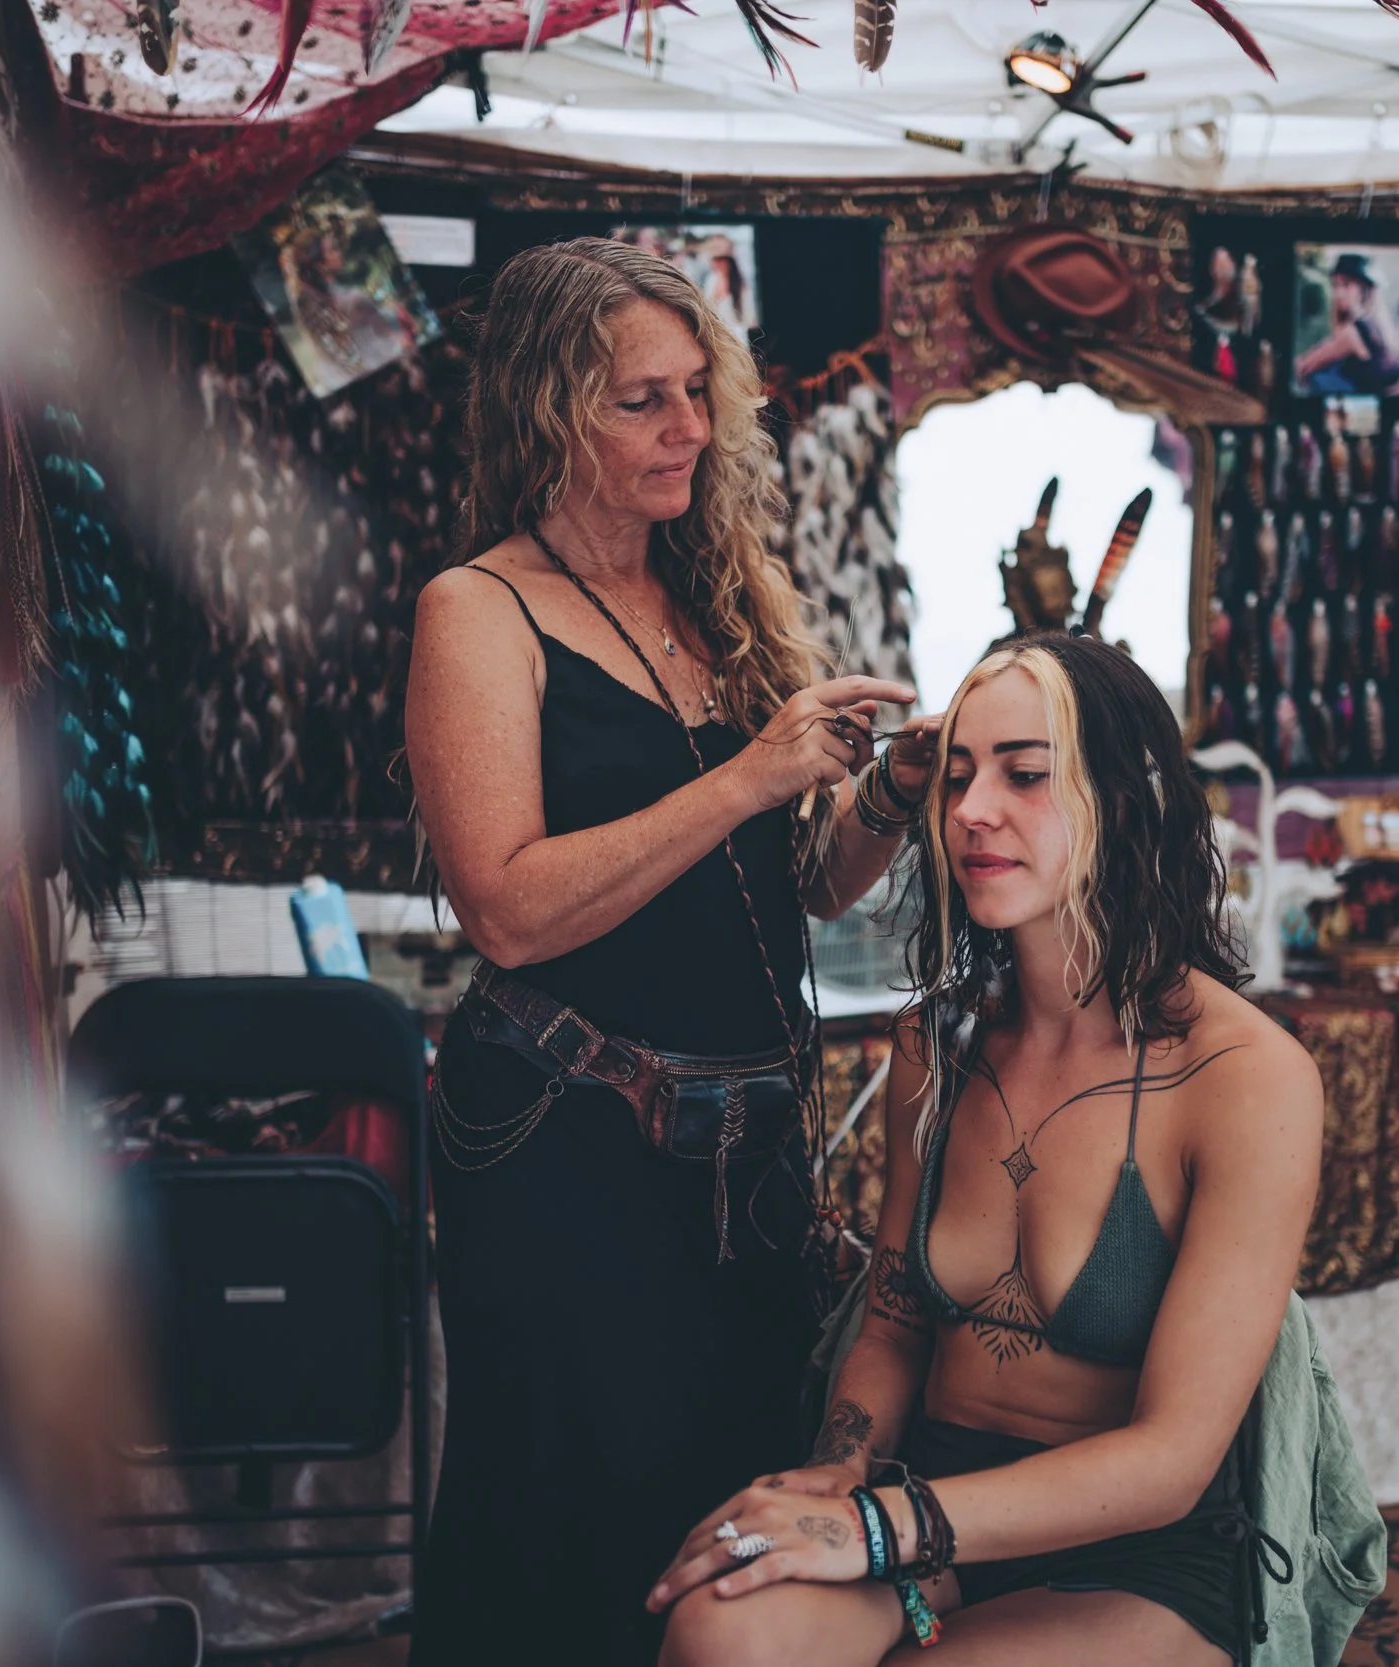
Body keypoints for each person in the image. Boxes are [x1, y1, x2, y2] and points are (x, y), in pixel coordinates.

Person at [404, 235, 934, 1665]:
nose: (690, 428)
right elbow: (506, 906)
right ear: (545, 413)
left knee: (723, 1510)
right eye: (643, 398)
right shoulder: (481, 609)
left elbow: (795, 892)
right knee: (568, 1523)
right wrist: (749, 774)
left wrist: (884, 796)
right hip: (571, 1148)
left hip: (744, 1162)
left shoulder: (723, 596)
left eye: (699, 391)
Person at [647, 634, 1325, 1666]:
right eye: (957, 774)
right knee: (721, 1627)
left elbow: (1172, 1459)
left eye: (1024, 774)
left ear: (1126, 795)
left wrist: (875, 1529)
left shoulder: (1244, 1077)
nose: (969, 811)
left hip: (1138, 1550)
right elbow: (892, 1315)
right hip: (934, 1495)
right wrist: (840, 1474)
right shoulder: (939, 1040)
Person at [1296, 253, 1399, 397]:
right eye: (1336, 285)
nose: (1339, 293)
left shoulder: (1353, 332)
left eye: (1346, 284)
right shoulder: (1370, 324)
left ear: (1363, 290)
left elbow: (1304, 366)